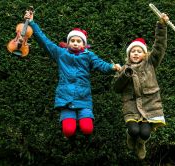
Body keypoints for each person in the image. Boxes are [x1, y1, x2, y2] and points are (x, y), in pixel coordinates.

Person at [24, 11, 121, 143]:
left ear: (84, 44)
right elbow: (44, 41)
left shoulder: (89, 55)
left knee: (87, 129)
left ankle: (81, 132)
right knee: (68, 130)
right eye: (72, 41)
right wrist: (32, 23)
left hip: (83, 98)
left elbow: (101, 65)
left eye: (78, 41)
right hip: (66, 99)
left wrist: (112, 67)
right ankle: (70, 135)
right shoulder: (61, 53)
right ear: (68, 42)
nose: (75, 43)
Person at [113, 13, 169, 159]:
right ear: (129, 55)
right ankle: (131, 136)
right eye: (133, 51)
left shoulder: (150, 63)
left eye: (139, 51)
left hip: (150, 105)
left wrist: (161, 26)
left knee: (144, 133)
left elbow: (159, 47)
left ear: (145, 54)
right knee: (133, 130)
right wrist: (125, 74)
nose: (136, 53)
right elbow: (116, 88)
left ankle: (141, 143)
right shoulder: (124, 68)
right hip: (131, 106)